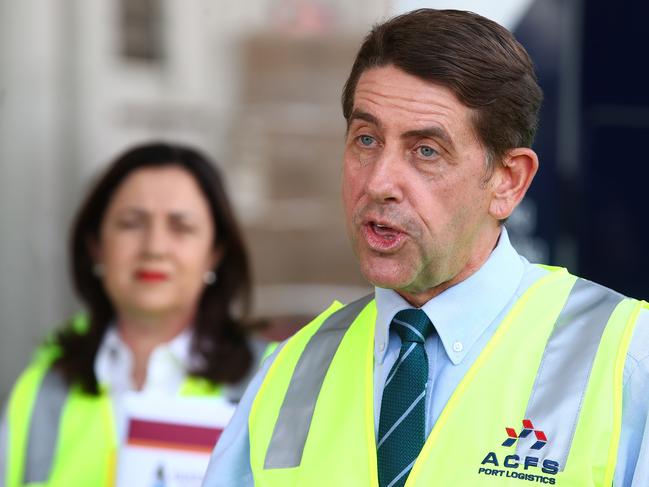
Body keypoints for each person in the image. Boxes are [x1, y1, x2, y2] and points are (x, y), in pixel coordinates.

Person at [201, 8, 649, 487]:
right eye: (366, 139)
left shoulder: (626, 359)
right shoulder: (290, 370)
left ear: (508, 181)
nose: (379, 182)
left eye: (426, 150)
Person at [0, 142, 266, 486]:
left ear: (215, 252)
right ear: (96, 244)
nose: (154, 247)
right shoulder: (41, 389)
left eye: (180, 226)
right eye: (131, 223)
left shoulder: (272, 380)